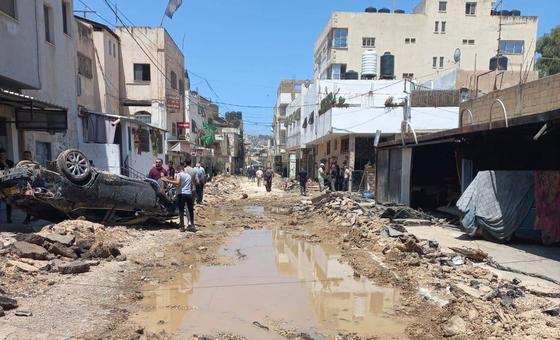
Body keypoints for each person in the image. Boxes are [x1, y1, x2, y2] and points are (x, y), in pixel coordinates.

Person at [162, 161, 195, 232]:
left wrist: (167, 180)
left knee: (181, 211)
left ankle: (182, 227)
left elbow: (177, 182)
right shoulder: (188, 176)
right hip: (189, 194)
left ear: (179, 170)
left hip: (182, 194)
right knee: (190, 210)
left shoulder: (179, 174)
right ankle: (192, 225)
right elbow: (191, 186)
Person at [21, 151, 38, 224]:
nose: (26, 157)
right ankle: (30, 217)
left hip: (35, 184)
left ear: (31, 156)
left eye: (28, 155)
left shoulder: (35, 163)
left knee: (33, 202)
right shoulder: (21, 164)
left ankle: (28, 218)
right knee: (28, 202)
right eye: (25, 156)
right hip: (26, 185)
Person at [0, 148, 14, 223]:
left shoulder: (10, 162)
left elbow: (12, 173)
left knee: (8, 201)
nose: (3, 156)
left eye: (4, 154)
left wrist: (5, 164)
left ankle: (9, 218)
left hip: (8, 184)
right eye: (1, 155)